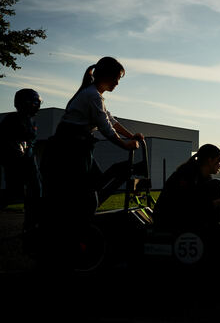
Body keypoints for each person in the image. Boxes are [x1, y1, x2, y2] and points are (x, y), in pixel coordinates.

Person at [39, 57, 143, 266]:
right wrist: (125, 145)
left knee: (94, 187)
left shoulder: (96, 96)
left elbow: (111, 120)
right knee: (86, 197)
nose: (117, 83)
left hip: (79, 148)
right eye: (116, 78)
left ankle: (77, 232)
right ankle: (75, 238)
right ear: (105, 76)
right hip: (69, 151)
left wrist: (131, 136)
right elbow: (106, 128)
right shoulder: (91, 95)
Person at [153, 144, 220, 231]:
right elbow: (192, 207)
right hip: (169, 219)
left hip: (183, 216)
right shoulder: (187, 175)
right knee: (218, 184)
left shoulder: (203, 176)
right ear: (209, 160)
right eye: (219, 160)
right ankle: (216, 230)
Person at [0, 89, 42, 235]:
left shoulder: (32, 121)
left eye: (38, 102)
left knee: (36, 191)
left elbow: (32, 140)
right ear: (24, 103)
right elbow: (4, 140)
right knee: (13, 192)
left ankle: (31, 225)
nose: (37, 105)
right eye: (34, 102)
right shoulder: (11, 120)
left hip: (29, 161)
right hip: (14, 161)